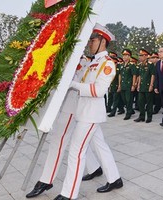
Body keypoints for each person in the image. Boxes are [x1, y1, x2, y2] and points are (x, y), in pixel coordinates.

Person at [53, 23, 122, 200]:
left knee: (76, 151)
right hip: (84, 111)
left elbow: (98, 91)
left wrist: (73, 85)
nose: (89, 43)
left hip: (91, 114)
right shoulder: (93, 62)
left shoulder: (107, 63)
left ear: (102, 42)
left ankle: (68, 194)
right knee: (100, 145)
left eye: (92, 40)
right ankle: (115, 179)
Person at [25, 56, 103, 198]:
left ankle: (48, 181)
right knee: (84, 143)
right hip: (71, 106)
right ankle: (100, 171)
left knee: (67, 144)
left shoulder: (88, 61)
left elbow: (83, 84)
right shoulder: (69, 57)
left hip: (77, 106)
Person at [134, 49, 155, 123]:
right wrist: (138, 85)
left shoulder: (150, 64)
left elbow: (153, 75)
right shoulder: (139, 65)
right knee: (140, 101)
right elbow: (139, 76)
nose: (140, 57)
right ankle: (141, 116)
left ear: (146, 56)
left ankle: (149, 117)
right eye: (139, 56)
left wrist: (151, 85)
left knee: (149, 102)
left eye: (141, 55)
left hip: (148, 85)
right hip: (142, 86)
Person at [119, 49, 138, 120]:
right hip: (123, 85)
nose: (124, 57)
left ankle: (128, 113)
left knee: (129, 100)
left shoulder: (132, 65)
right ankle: (131, 110)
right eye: (123, 55)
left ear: (129, 56)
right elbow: (120, 75)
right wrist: (119, 84)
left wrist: (133, 85)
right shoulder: (121, 65)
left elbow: (134, 75)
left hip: (129, 85)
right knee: (124, 99)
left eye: (125, 55)